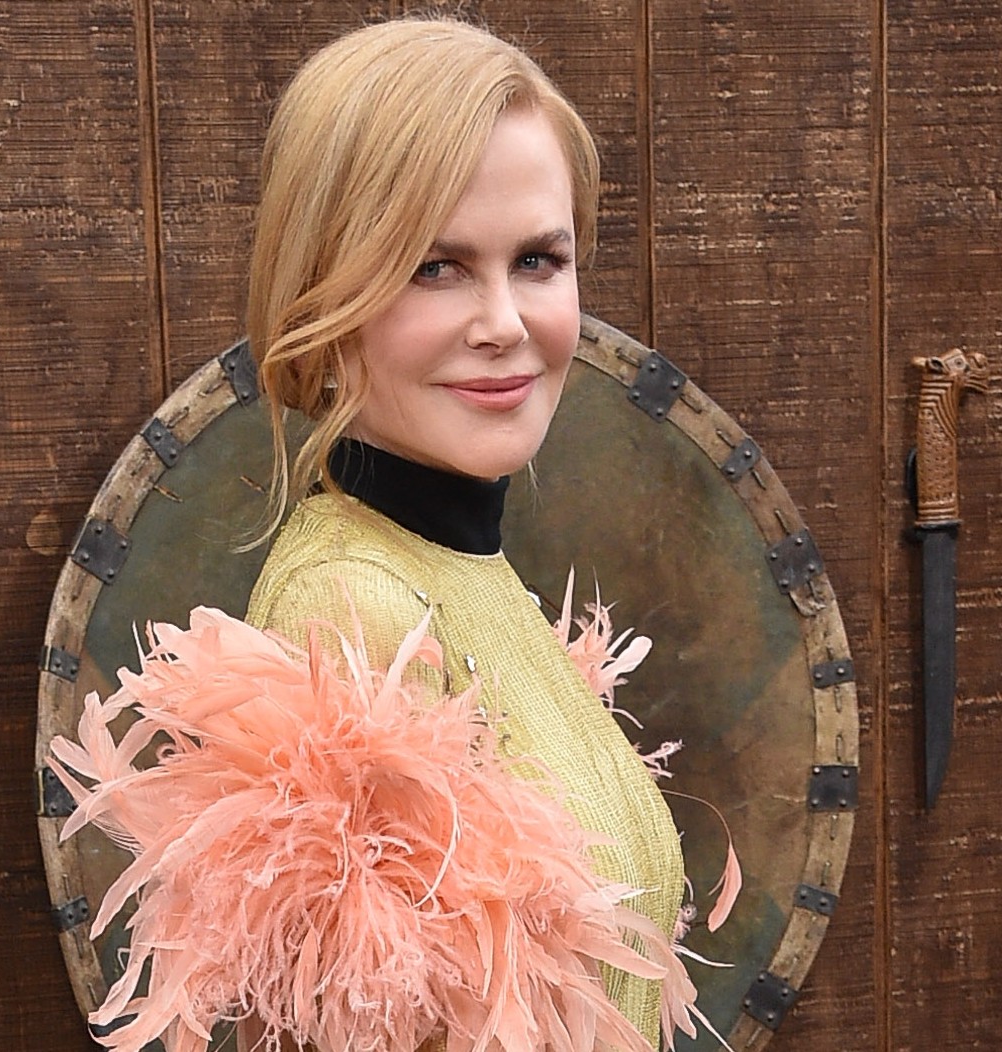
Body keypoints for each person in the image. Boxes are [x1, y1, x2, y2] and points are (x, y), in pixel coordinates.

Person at [241, 15, 686, 1051]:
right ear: (328, 289)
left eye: (538, 260)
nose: (504, 322)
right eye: (434, 268)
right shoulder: (355, 605)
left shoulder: (460, 575)